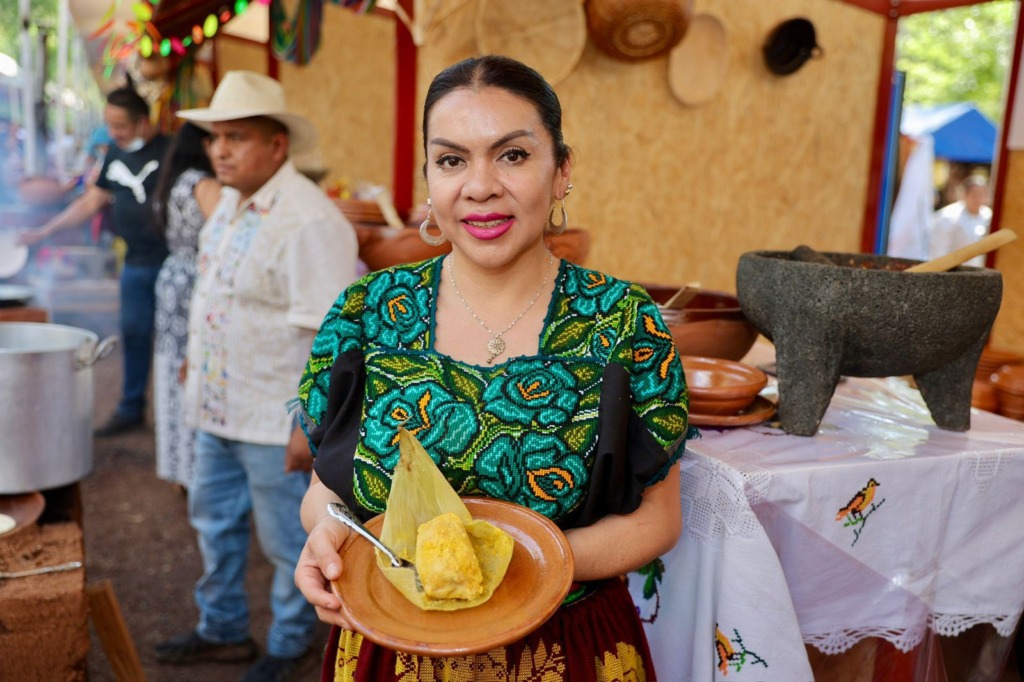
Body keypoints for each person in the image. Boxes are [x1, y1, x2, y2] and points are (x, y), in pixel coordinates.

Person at [294, 55, 691, 681]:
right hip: (392, 651)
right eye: (452, 160)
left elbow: (657, 519)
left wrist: (510, 570)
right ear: (428, 177)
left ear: (561, 172)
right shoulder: (365, 314)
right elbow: (326, 497)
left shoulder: (622, 322)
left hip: (567, 652)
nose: (479, 187)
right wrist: (329, 541)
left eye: (512, 155)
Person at [153, 71, 358, 682]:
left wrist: (310, 425)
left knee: (287, 540)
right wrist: (197, 359)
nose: (220, 150)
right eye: (216, 138)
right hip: (217, 405)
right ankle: (223, 630)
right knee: (212, 523)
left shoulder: (310, 221)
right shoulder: (230, 205)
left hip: (275, 419)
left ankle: (291, 643)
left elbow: (334, 339)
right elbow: (218, 295)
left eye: (237, 137)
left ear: (277, 146)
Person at [21, 86, 170, 436]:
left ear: (143, 122)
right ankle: (131, 407)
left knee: (174, 342)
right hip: (134, 262)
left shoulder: (171, 151)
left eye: (120, 125)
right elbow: (90, 202)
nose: (113, 133)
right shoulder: (115, 154)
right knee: (134, 334)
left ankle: (173, 417)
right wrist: (45, 231)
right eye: (110, 125)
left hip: (171, 263)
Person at [151, 122, 221, 490]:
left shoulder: (172, 181)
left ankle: (180, 468)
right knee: (192, 372)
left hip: (172, 277)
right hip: (195, 279)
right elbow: (224, 232)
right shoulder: (203, 183)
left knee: (172, 371)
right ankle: (196, 474)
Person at [930, 175, 993, 267]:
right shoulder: (948, 217)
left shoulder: (988, 216)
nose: (978, 199)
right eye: (974, 194)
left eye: (981, 194)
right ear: (965, 195)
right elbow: (939, 250)